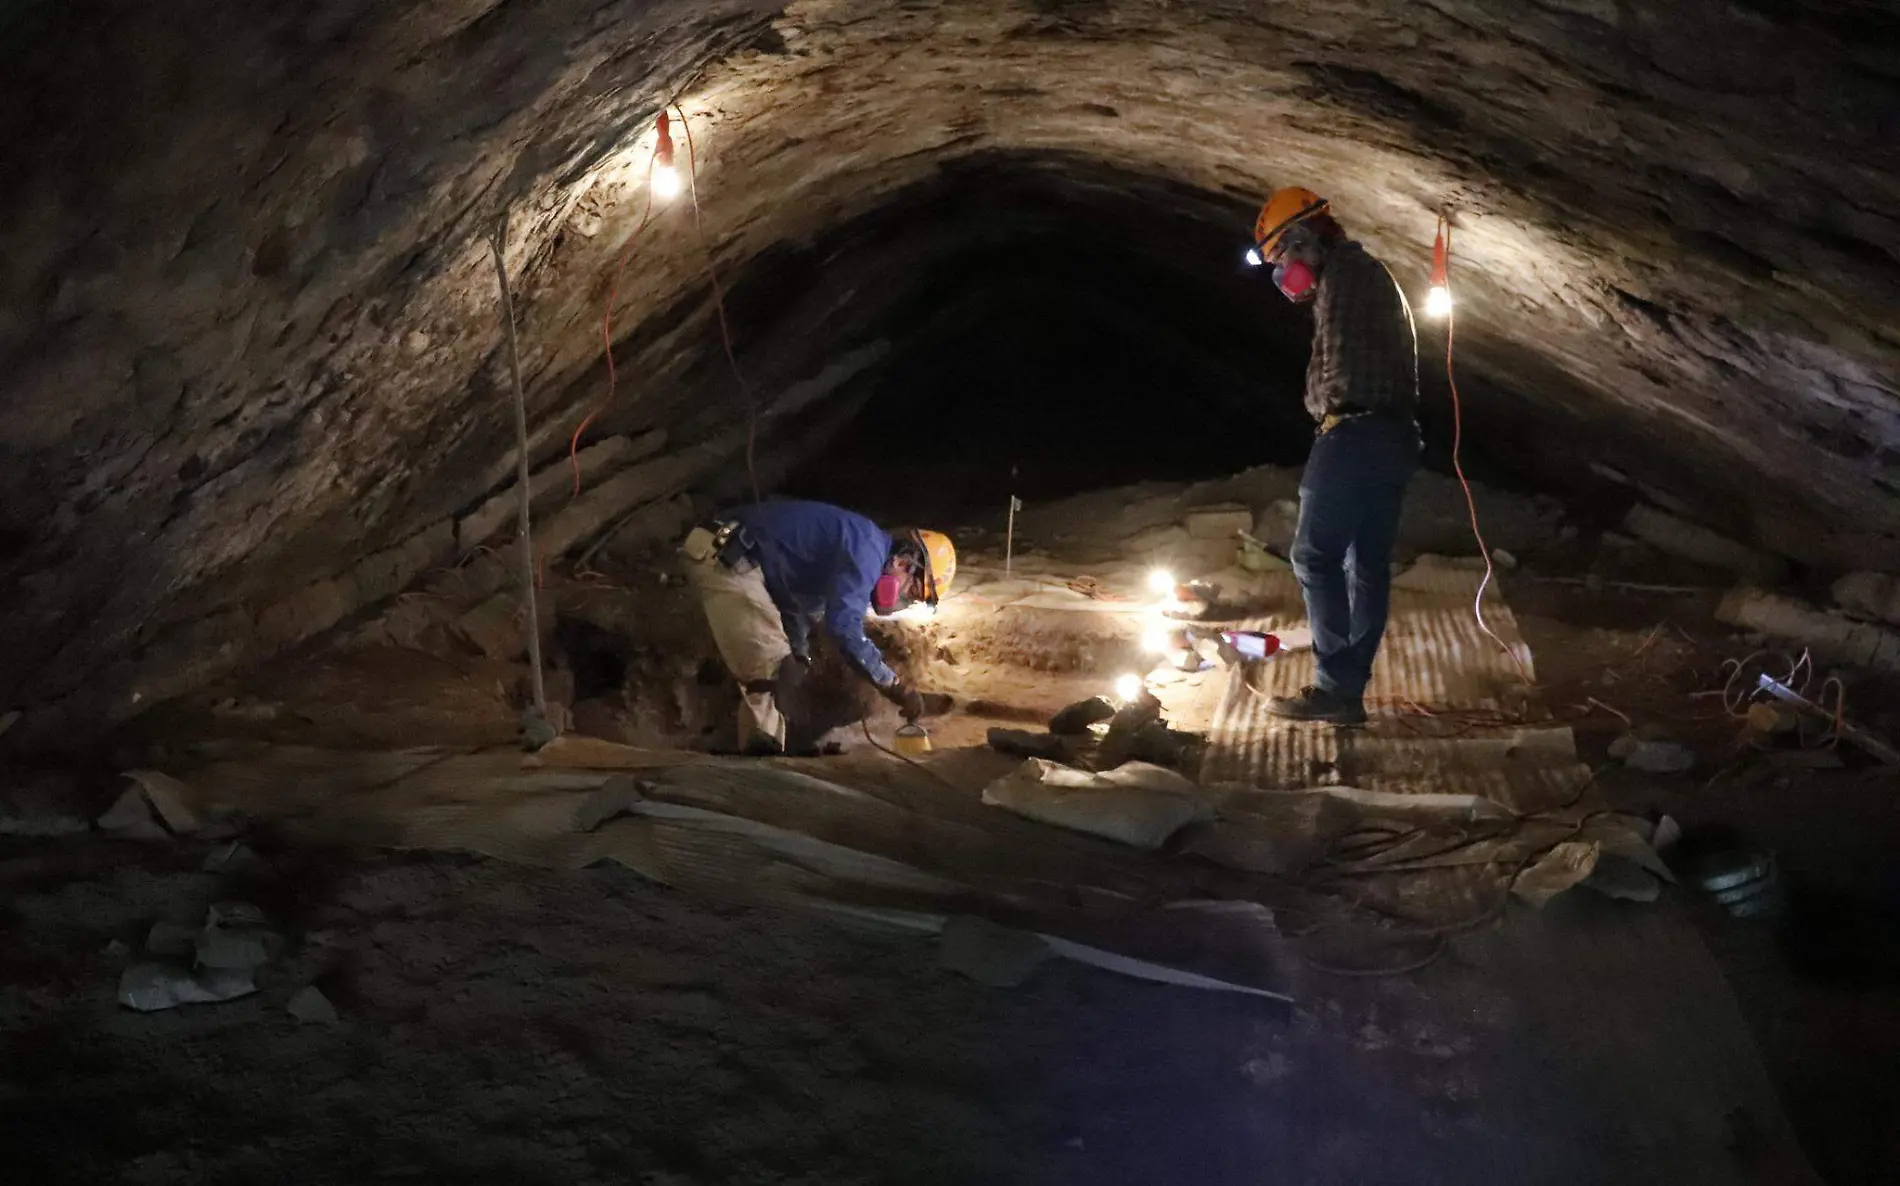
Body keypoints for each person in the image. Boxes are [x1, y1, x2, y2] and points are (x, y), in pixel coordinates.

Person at [1249, 187, 1421, 726]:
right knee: (1365, 564)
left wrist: (1321, 414)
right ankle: (1348, 690)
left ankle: (1334, 687)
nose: (1283, 274)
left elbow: (1337, 371)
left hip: (1353, 434)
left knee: (1314, 557)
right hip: (1394, 436)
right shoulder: (1367, 272)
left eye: (1281, 258)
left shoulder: (1342, 279)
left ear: (1302, 239)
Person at [680, 499, 955, 754]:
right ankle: (764, 768)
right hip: (727, 555)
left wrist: (799, 653)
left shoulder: (859, 551)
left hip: (733, 555)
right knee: (770, 666)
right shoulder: (866, 552)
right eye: (914, 589)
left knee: (781, 664)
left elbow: (798, 607)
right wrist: (895, 687)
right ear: (903, 562)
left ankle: (765, 749)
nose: (905, 599)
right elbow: (844, 628)